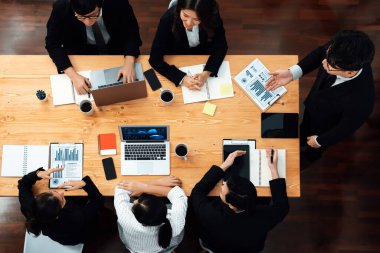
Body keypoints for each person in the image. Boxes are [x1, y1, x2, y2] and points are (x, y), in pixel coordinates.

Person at [265, 30, 375, 161]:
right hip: (314, 106)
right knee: (304, 125)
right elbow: (320, 53)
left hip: (323, 127)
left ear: (350, 73)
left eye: (329, 65)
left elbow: (345, 128)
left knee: (310, 151)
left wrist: (319, 141)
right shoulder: (339, 48)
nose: (323, 63)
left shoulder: (362, 101)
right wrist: (291, 73)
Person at [190, 150, 289, 253]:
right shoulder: (265, 216)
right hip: (251, 248)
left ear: (232, 206)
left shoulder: (210, 213)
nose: (222, 186)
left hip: (216, 247)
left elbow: (197, 192)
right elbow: (282, 207)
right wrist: (273, 168)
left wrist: (225, 165)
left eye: (222, 192)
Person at [45, 0, 142, 94]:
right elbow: (52, 43)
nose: (88, 22)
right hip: (81, 51)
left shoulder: (117, 2)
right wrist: (73, 76)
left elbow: (131, 30)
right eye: (80, 17)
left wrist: (129, 61)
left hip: (115, 47)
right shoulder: (61, 7)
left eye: (93, 15)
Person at [149, 0, 228, 90]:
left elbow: (221, 46)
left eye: (196, 19)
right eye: (185, 16)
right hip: (177, 54)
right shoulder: (167, 19)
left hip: (203, 53)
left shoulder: (212, 16)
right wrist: (182, 78)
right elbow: (154, 59)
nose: (189, 24)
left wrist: (206, 73)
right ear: (180, 9)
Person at [18, 167, 104, 245]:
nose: (62, 192)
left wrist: (38, 174)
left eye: (52, 192)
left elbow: (23, 184)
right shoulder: (76, 218)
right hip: (79, 234)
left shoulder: (29, 206)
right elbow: (98, 200)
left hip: (58, 234)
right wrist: (84, 183)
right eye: (62, 199)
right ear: (57, 215)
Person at [114, 176, 188, 253]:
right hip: (163, 248)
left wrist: (149, 184)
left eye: (137, 201)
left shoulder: (125, 218)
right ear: (164, 207)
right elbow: (179, 194)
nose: (135, 201)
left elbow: (120, 187)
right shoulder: (175, 224)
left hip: (134, 248)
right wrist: (149, 187)